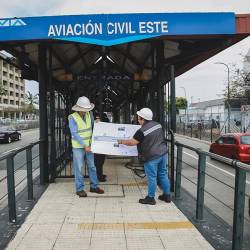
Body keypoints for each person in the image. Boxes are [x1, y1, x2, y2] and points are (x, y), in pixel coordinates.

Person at [118, 108, 171, 205]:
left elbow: (132, 142)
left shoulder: (141, 131)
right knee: (163, 174)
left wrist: (121, 141)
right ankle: (167, 195)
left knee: (152, 177)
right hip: (163, 153)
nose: (138, 120)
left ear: (142, 118)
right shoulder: (158, 125)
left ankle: (150, 198)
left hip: (151, 157)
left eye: (138, 118)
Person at [68, 96, 104, 197]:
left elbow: (93, 126)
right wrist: (84, 146)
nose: (85, 111)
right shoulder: (72, 118)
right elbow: (74, 133)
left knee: (92, 166)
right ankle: (79, 189)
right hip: (78, 147)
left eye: (86, 109)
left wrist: (97, 123)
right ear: (78, 109)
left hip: (89, 145)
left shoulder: (90, 114)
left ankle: (94, 186)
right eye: (83, 110)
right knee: (79, 167)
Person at [94, 112, 110, 182]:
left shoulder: (103, 115)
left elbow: (108, 124)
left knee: (101, 160)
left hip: (102, 142)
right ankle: (99, 176)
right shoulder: (92, 117)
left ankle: (100, 174)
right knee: (98, 161)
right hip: (96, 142)